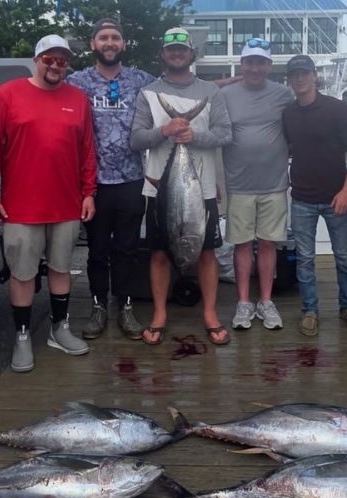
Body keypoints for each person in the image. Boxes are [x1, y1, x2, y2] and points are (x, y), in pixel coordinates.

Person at [0, 34, 97, 373]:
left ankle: (60, 329)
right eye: (50, 58)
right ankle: (23, 334)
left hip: (66, 203)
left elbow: (87, 149)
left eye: (63, 60)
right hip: (21, 206)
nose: (56, 65)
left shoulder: (78, 99)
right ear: (36, 59)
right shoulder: (5, 95)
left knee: (61, 269)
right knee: (23, 273)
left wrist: (88, 191)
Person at [130, 27, 232, 346]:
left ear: (191, 54)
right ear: (163, 54)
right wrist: (165, 130)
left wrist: (194, 136)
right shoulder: (148, 92)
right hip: (160, 188)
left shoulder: (211, 92)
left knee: (207, 253)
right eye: (171, 49)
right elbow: (136, 139)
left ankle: (210, 313)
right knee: (160, 252)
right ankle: (159, 314)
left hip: (201, 190)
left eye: (182, 49)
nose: (176, 54)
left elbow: (225, 134)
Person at [66, 18, 158, 341]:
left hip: (133, 180)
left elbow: (179, 85)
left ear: (123, 44)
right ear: (93, 44)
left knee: (128, 249)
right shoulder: (76, 82)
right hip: (93, 185)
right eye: (103, 37)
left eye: (115, 37)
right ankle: (98, 306)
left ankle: (127, 306)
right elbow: (38, 90)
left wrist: (234, 82)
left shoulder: (141, 80)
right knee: (97, 251)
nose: (109, 42)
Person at [282, 54, 347, 337]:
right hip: (302, 198)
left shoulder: (338, 110)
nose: (300, 79)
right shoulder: (288, 113)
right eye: (295, 75)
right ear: (289, 80)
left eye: (305, 73)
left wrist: (346, 191)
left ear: (315, 76)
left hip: (336, 197)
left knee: (344, 257)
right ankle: (310, 310)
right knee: (305, 259)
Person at [220, 38, 293, 331]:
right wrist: (233, 79)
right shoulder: (226, 94)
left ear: (269, 66)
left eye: (261, 62)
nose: (255, 68)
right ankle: (243, 302)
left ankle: (265, 300)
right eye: (250, 62)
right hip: (238, 184)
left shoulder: (284, 94)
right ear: (242, 64)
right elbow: (200, 89)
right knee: (241, 245)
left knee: (267, 244)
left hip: (275, 184)